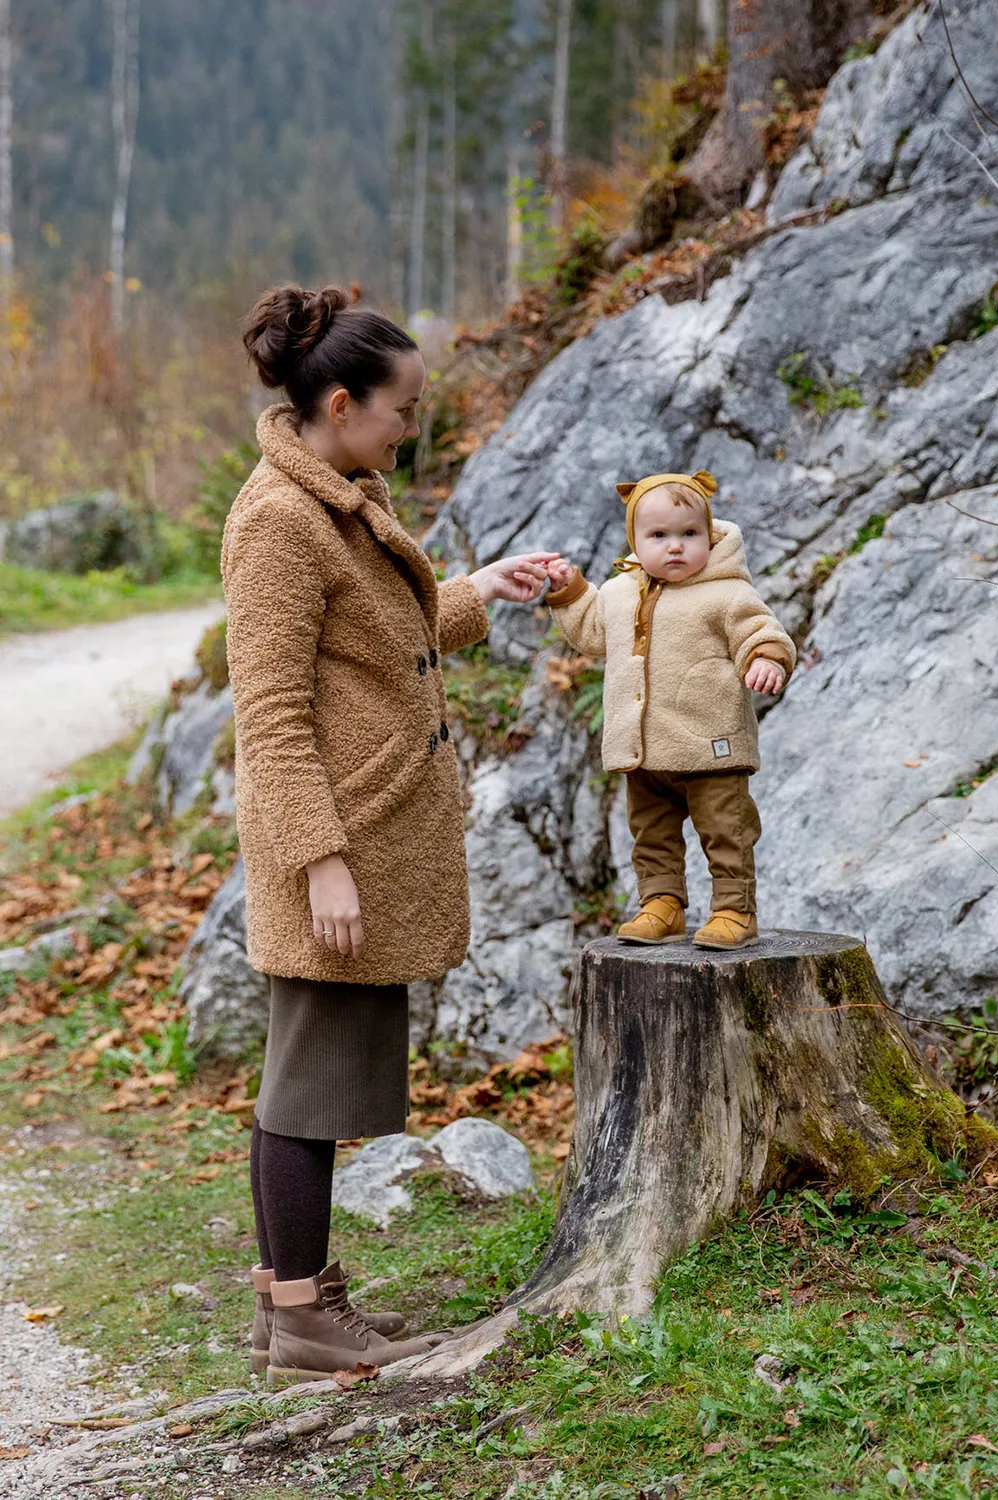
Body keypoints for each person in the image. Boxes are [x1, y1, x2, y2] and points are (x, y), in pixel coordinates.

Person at [222, 283, 559, 1385]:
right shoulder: (278, 520)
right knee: (306, 1086)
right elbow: (269, 714)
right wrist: (321, 862)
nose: (412, 424)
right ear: (338, 402)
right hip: (337, 838)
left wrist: (482, 591)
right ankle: (306, 1318)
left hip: (366, 831)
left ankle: (290, 1314)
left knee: (315, 1081)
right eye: (401, 408)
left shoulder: (337, 493)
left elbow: (377, 643)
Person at [545, 469, 795, 950]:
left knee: (727, 832)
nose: (675, 546)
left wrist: (766, 658)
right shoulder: (620, 594)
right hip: (645, 749)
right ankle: (661, 904)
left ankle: (734, 909)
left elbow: (760, 630)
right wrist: (570, 589)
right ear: (635, 540)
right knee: (651, 835)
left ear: (710, 534)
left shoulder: (726, 591)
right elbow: (593, 633)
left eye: (689, 534)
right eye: (659, 536)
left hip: (710, 743)